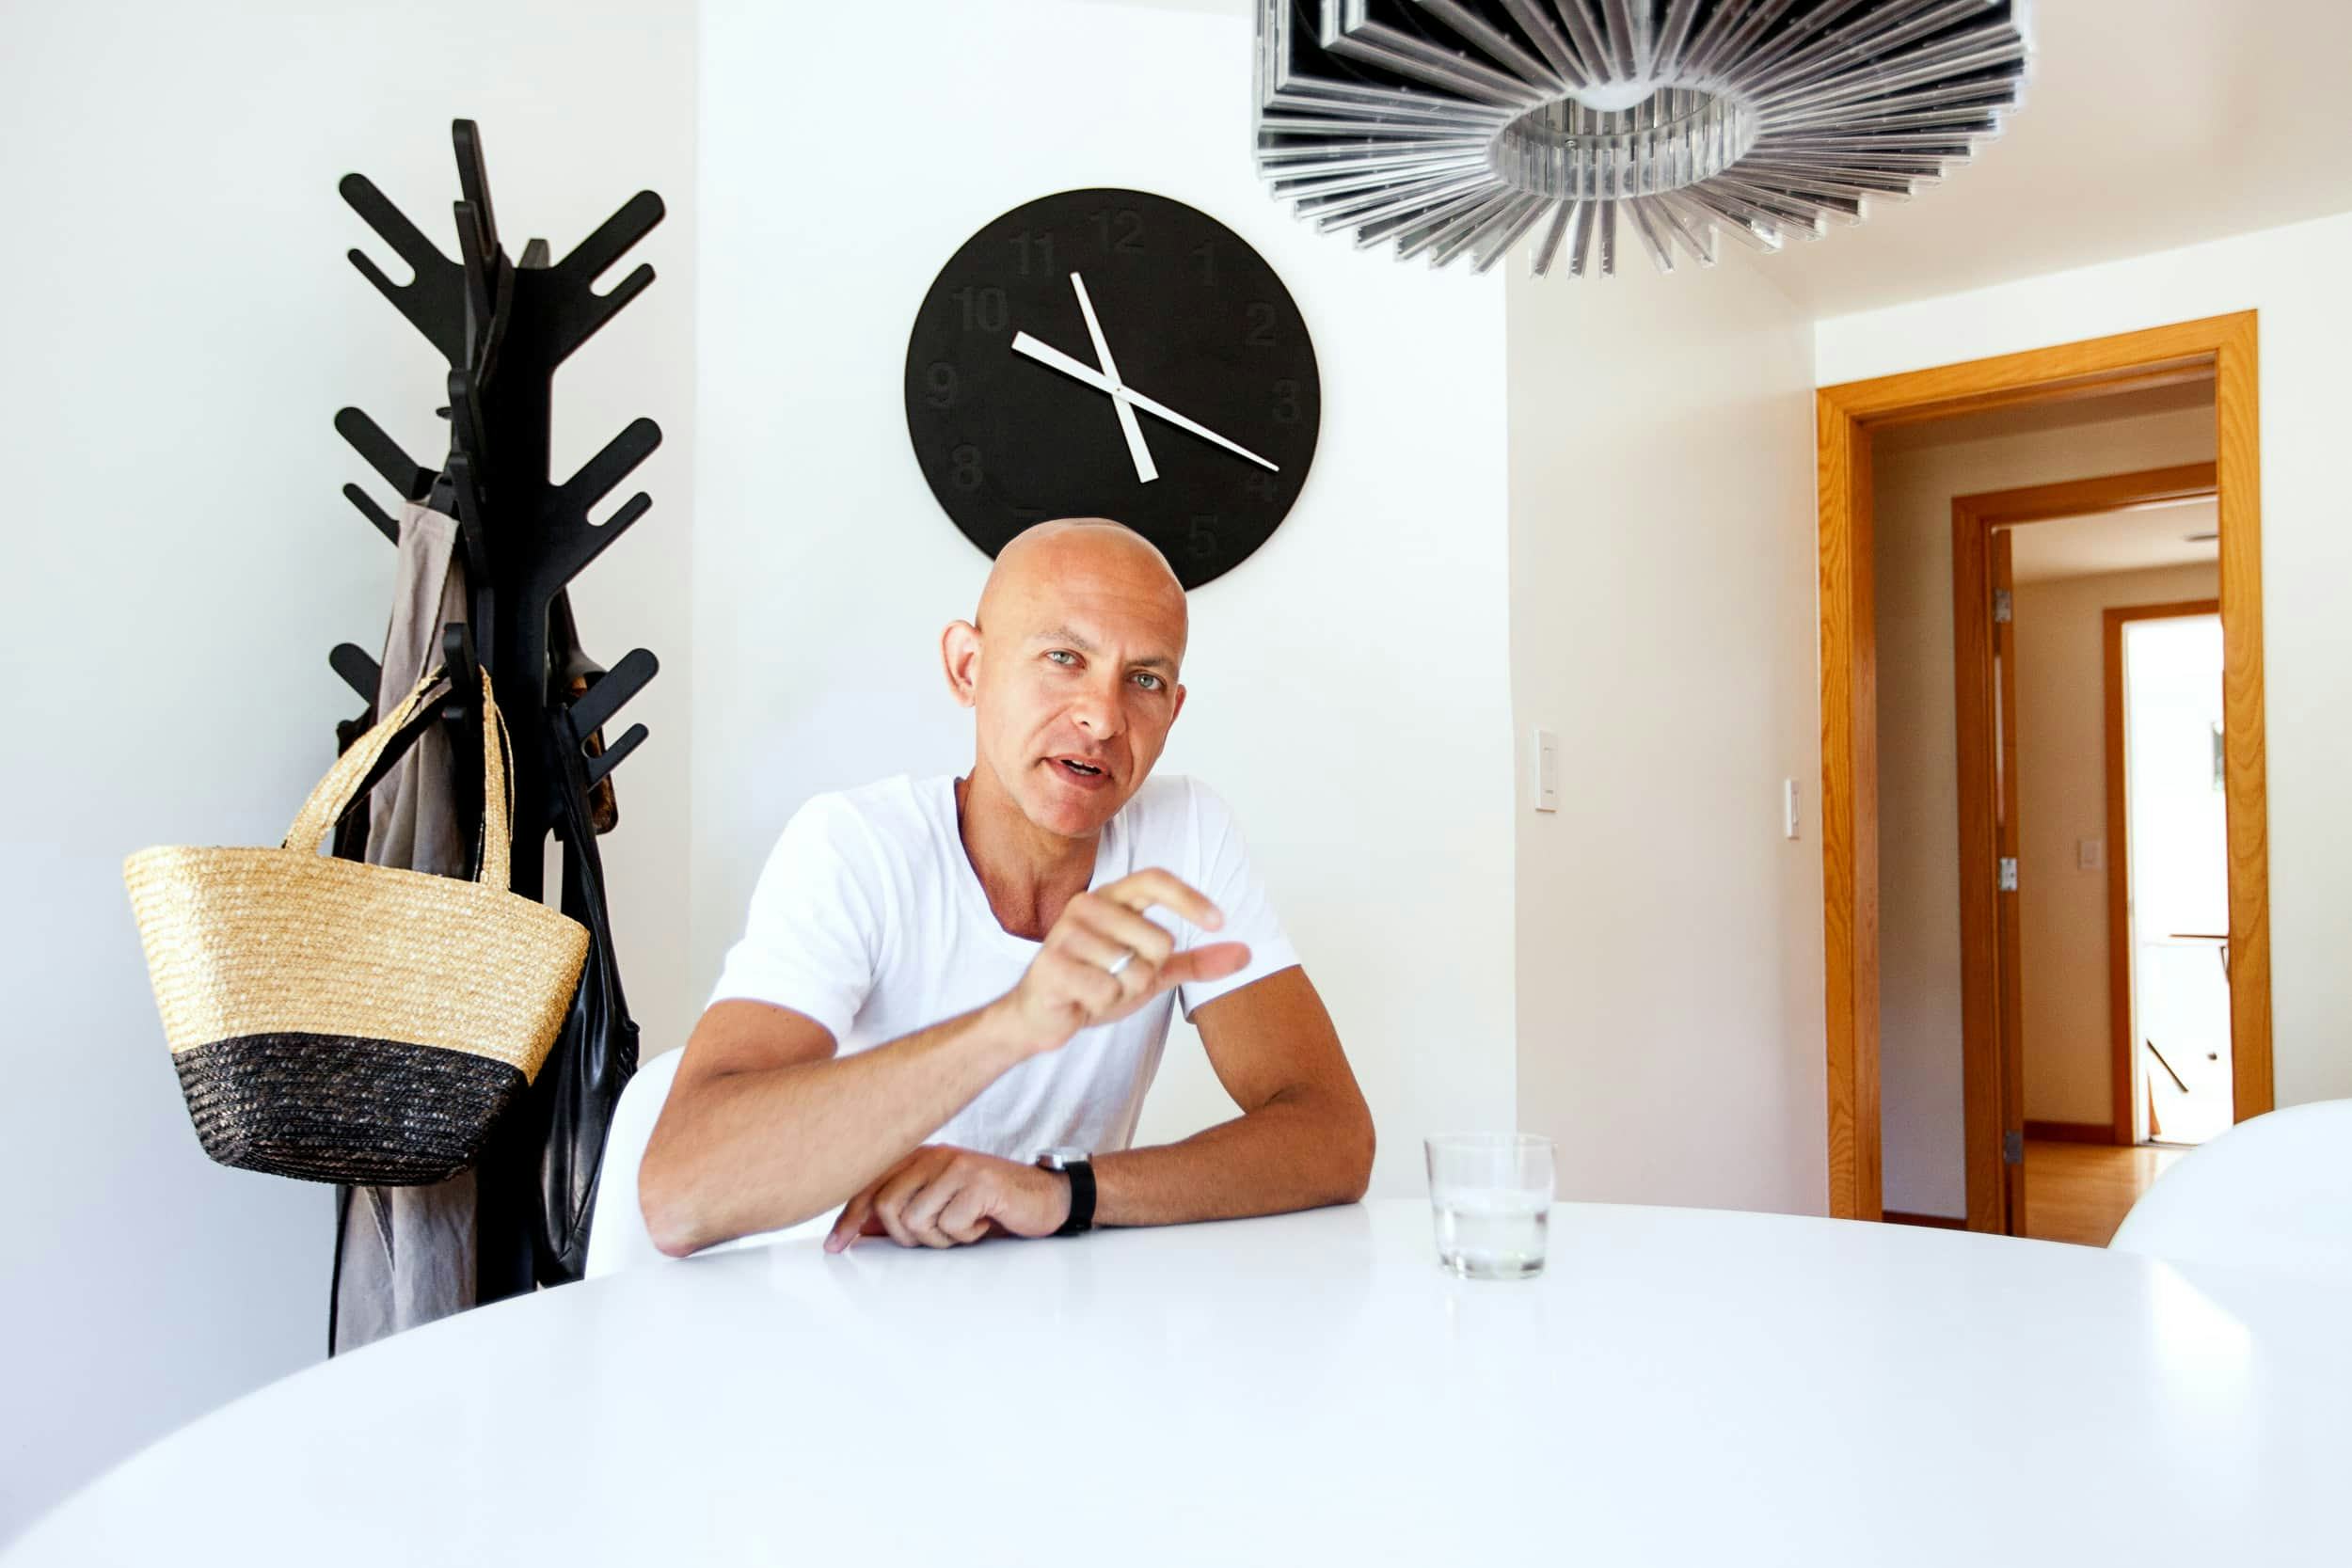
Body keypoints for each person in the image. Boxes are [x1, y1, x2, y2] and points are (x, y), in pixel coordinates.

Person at [639, 518, 1375, 1255]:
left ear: (1172, 712)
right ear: (968, 667)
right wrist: (1012, 1025)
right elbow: (678, 1195)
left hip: (1059, 1304)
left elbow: (1334, 1136)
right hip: (839, 1291)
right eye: (1064, 657)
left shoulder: (1185, 834)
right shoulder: (856, 847)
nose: (1102, 716)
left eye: (1144, 679)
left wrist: (1062, 1191)